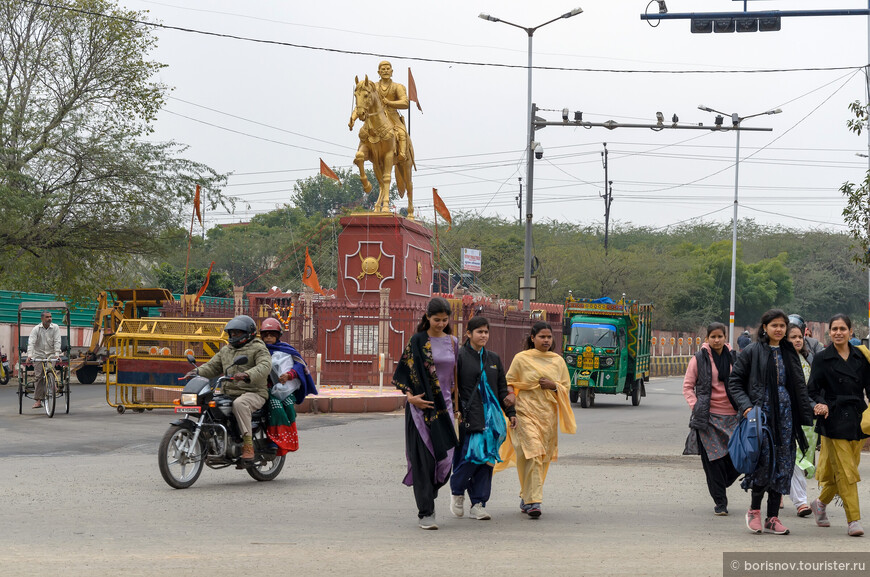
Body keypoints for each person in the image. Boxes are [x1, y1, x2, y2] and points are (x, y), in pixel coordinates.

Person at [727, 309, 814, 536]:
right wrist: (746, 407)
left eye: (782, 325)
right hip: (760, 417)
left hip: (786, 417)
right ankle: (754, 511)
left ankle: (773, 518)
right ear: (764, 327)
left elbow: (799, 387)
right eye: (774, 325)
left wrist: (807, 410)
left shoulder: (789, 353)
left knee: (783, 464)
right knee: (764, 463)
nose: (778, 329)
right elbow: (735, 381)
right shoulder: (752, 351)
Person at [495, 321, 577, 518]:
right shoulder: (521, 359)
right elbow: (509, 382)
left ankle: (526, 495)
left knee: (539, 457)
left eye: (549, 337)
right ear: (532, 338)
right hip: (524, 412)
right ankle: (534, 501)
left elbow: (566, 387)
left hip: (547, 415)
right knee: (532, 451)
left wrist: (554, 385)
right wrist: (512, 396)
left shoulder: (558, 361)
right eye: (542, 336)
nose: (546, 340)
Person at [392, 297, 459, 530]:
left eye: (444, 319)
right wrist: (410, 398)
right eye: (436, 319)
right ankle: (426, 512)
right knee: (423, 461)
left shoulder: (453, 342)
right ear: (427, 318)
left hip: (446, 409)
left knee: (446, 461)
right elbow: (403, 373)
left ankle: (429, 492)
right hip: (420, 409)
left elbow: (455, 379)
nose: (440, 323)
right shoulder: (417, 341)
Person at [807, 313, 870, 537]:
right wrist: (820, 404)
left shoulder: (861, 357)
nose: (838, 332)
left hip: (857, 419)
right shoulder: (823, 358)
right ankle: (853, 519)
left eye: (843, 329)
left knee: (842, 471)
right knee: (847, 471)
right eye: (834, 329)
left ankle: (820, 503)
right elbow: (811, 391)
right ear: (829, 332)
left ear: (851, 332)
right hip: (833, 418)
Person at [450, 316, 517, 521]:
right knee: (470, 457)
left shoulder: (494, 359)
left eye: (486, 332)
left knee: (487, 461)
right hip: (469, 417)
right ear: (468, 334)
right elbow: (452, 389)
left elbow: (501, 390)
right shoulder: (459, 357)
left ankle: (479, 503)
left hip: (493, 420)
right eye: (479, 331)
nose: (483, 335)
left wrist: (511, 413)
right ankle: (458, 491)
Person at [187, 315, 272, 465]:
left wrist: (247, 374)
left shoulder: (259, 348)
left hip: (254, 392)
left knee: (240, 404)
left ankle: (248, 446)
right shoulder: (226, 350)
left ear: (248, 333)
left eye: (238, 333)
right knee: (208, 405)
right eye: (232, 333)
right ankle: (212, 443)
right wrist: (197, 372)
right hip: (229, 393)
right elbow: (212, 366)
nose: (234, 336)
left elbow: (264, 366)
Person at [682, 322, 740, 516]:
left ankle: (721, 484)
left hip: (733, 418)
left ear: (725, 338)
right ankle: (720, 502)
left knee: (737, 458)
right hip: (708, 419)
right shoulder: (699, 359)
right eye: (713, 337)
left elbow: (742, 382)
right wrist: (696, 406)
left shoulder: (734, 358)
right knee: (713, 462)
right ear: (707, 338)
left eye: (720, 337)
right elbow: (688, 387)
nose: (716, 340)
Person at [259, 317, 318, 456]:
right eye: (266, 334)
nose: (268, 337)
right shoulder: (258, 350)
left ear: (278, 335)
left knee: (288, 403)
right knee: (275, 404)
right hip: (263, 388)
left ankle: (288, 437)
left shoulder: (286, 349)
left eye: (272, 334)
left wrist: (289, 375)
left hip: (285, 389)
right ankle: (275, 439)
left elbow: (299, 365)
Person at [785, 323, 818, 518]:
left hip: (808, 418)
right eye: (793, 337)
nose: (797, 340)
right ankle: (801, 501)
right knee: (794, 458)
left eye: (800, 337)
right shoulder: (779, 360)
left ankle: (780, 488)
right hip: (786, 416)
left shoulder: (809, 359)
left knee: (802, 458)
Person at [25, 311, 62, 409]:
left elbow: (57, 341)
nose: (49, 318)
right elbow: (31, 342)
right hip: (39, 355)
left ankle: (53, 384)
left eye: (50, 317)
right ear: (42, 319)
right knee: (39, 377)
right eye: (47, 317)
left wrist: (57, 354)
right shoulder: (36, 329)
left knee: (51, 369)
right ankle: (38, 400)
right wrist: (30, 355)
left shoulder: (55, 328)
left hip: (51, 354)